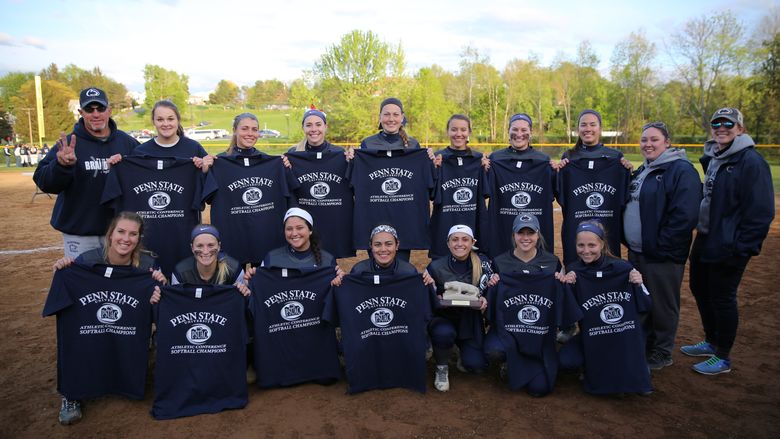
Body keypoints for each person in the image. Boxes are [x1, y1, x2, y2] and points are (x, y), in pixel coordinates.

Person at [681, 108, 774, 375]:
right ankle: (711, 340)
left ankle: (723, 356)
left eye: (728, 124)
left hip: (729, 242)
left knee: (722, 296)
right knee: (700, 288)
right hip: (707, 236)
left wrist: (742, 248)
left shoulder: (751, 161)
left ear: (740, 129)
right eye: (716, 123)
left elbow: (761, 211)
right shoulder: (715, 157)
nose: (721, 127)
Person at [50, 211, 166, 425]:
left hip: (127, 333)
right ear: (110, 234)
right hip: (90, 331)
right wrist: (63, 272)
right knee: (73, 343)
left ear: (139, 239)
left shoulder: (147, 266)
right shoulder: (86, 261)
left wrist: (161, 288)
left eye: (133, 234)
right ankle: (71, 394)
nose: (126, 238)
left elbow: (162, 313)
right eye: (121, 232)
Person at [622, 122, 701, 371]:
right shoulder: (643, 170)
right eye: (644, 140)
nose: (648, 144)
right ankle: (646, 344)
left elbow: (684, 216)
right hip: (638, 251)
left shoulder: (681, 170)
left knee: (662, 303)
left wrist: (659, 247)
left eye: (654, 140)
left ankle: (662, 351)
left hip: (661, 254)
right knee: (642, 300)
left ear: (667, 142)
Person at [33, 87, 139, 259]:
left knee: (117, 284)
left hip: (119, 233)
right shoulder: (68, 143)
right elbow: (44, 182)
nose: (95, 114)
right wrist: (61, 166)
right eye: (90, 109)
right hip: (80, 232)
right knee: (83, 283)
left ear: (109, 110)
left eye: (100, 108)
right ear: (81, 112)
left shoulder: (127, 143)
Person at [560, 221, 652, 395]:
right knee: (566, 361)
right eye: (581, 245)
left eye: (592, 245)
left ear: (602, 244)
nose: (586, 251)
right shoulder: (574, 271)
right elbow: (566, 316)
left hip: (622, 338)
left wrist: (639, 284)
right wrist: (566, 287)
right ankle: (589, 366)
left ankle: (636, 365)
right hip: (593, 336)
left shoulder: (623, 269)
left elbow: (646, 304)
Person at [425, 225, 492, 392]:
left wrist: (486, 298)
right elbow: (426, 299)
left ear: (472, 242)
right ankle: (442, 366)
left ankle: (462, 351)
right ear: (448, 243)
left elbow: (492, 290)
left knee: (476, 365)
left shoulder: (484, 264)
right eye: (455, 240)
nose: (459, 244)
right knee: (444, 333)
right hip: (443, 318)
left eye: (464, 239)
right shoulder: (435, 266)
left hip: (470, 321)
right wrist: (435, 296)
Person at [132, 100, 212, 172]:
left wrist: (205, 169)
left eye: (170, 119)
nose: (166, 124)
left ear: (178, 120)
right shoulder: (140, 152)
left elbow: (209, 180)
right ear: (153, 122)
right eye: (160, 120)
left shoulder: (194, 148)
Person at [350, 224, 433, 284]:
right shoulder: (359, 271)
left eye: (389, 244)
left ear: (397, 245)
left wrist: (427, 285)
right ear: (371, 246)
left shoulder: (408, 272)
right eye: (377, 244)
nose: (383, 249)